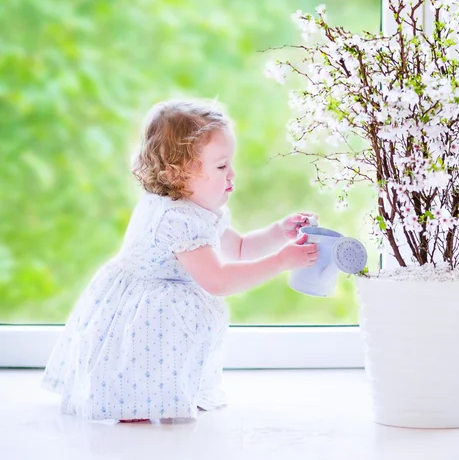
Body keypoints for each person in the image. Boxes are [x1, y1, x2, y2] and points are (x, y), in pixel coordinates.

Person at [41, 99, 319, 422]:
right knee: (140, 362)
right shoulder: (176, 220)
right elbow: (218, 280)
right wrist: (281, 261)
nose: (232, 174)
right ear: (180, 172)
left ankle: (168, 395)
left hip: (160, 303)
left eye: (230, 164)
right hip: (143, 311)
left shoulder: (196, 209)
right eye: (220, 166)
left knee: (167, 355)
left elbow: (240, 247)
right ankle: (134, 409)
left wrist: (277, 233)